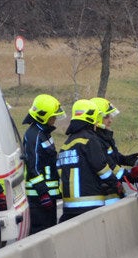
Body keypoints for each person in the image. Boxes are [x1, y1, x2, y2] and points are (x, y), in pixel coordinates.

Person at [57, 99, 122, 221]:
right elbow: (101, 168)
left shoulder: (66, 145)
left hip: (68, 208)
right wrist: (116, 183)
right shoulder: (90, 140)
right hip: (90, 204)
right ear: (91, 118)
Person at [21, 94, 64, 234]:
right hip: (38, 198)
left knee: (50, 232)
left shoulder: (44, 133)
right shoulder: (34, 135)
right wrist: (43, 193)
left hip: (47, 196)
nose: (54, 119)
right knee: (40, 234)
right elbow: (32, 166)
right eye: (53, 116)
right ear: (43, 116)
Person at [90, 97, 138, 205]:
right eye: (106, 116)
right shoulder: (95, 140)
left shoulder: (105, 136)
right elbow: (108, 165)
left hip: (113, 190)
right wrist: (129, 175)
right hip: (104, 195)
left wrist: (127, 159)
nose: (110, 120)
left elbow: (113, 157)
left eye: (110, 116)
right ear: (97, 117)